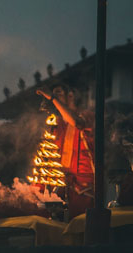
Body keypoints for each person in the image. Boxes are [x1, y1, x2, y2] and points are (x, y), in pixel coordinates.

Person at [37, 84, 95, 219]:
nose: (54, 97)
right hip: (61, 185)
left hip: (83, 187)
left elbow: (76, 122)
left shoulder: (87, 116)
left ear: (71, 95)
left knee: (80, 224)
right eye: (54, 94)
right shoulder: (57, 122)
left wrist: (52, 98)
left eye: (58, 93)